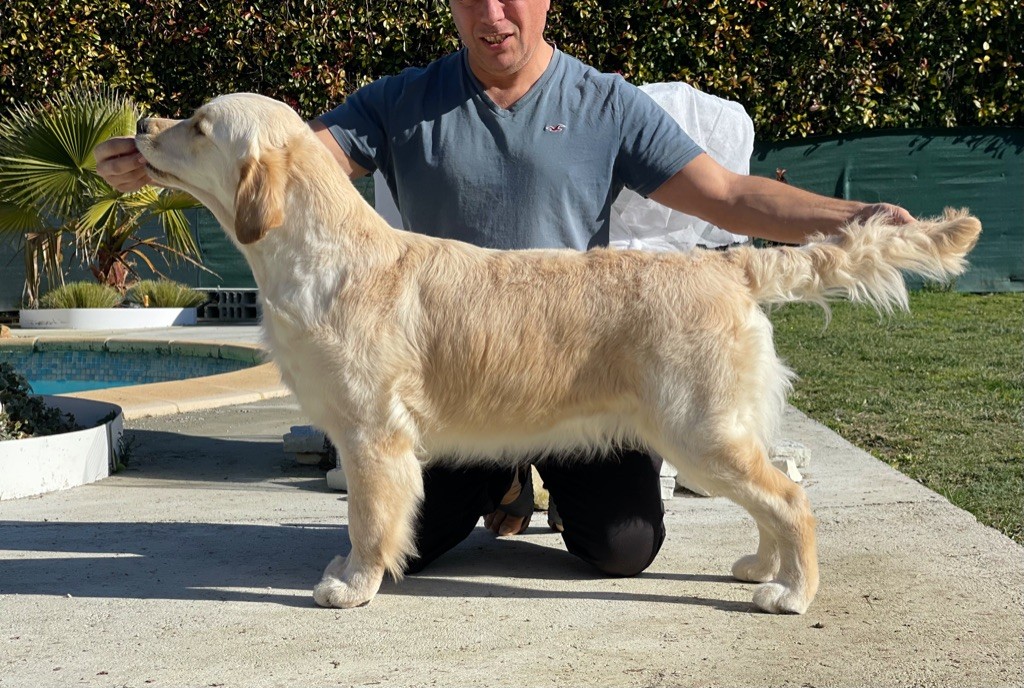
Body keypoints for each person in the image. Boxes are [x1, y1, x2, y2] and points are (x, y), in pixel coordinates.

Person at [96, 0, 913, 578]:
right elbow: (292, 162)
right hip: (456, 374)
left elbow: (730, 197)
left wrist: (855, 220)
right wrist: (165, 157)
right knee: (418, 547)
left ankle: (739, 519)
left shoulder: (608, 102)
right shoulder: (399, 100)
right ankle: (502, 478)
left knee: (624, 550)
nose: (496, 14)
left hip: (587, 353)